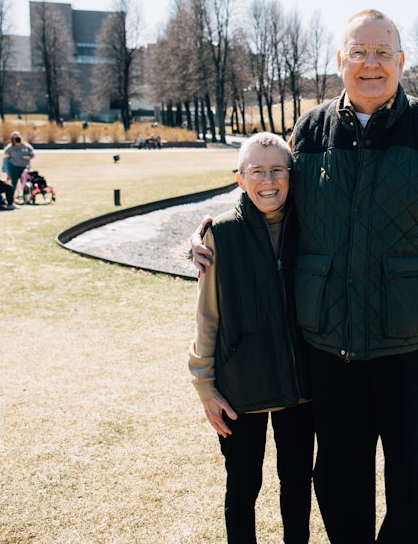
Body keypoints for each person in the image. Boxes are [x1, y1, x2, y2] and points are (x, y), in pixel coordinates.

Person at [193, 9, 418, 543]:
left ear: (401, 60)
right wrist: (212, 227)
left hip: (408, 340)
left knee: (416, 476)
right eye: (358, 53)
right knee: (339, 478)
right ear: (340, 61)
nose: (370, 64)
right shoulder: (310, 129)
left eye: (381, 53)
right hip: (328, 343)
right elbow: (271, 193)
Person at [188, 132, 315, 543]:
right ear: (240, 179)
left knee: (297, 484)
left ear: (292, 175)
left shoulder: (311, 228)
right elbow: (207, 318)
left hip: (301, 387)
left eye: (278, 169)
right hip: (239, 389)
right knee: (242, 489)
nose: (268, 180)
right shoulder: (220, 235)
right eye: (256, 171)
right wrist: (205, 386)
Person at [3, 131, 35, 200]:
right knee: (14, 182)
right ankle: (11, 198)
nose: (17, 139)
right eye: (15, 138)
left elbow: (32, 153)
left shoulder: (25, 145)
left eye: (18, 137)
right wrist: (9, 157)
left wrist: (29, 157)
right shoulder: (11, 147)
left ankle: (25, 197)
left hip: (24, 167)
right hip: (14, 167)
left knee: (24, 183)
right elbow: (5, 153)